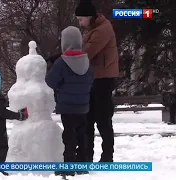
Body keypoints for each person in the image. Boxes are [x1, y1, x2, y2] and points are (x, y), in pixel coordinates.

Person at [45, 26, 94, 177]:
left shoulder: (61, 62)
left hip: (67, 107)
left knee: (69, 136)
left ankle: (69, 166)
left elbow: (51, 81)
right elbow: (91, 78)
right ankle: (83, 164)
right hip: (83, 106)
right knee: (82, 135)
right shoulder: (86, 61)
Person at [75, 0, 119, 162]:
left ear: (89, 16)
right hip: (93, 79)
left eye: (81, 19)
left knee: (102, 120)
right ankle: (87, 156)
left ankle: (107, 157)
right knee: (88, 119)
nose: (80, 23)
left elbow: (86, 53)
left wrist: (64, 58)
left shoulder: (102, 29)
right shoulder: (93, 29)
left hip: (103, 80)